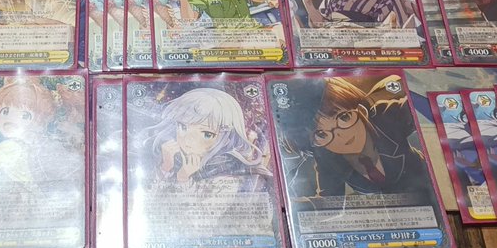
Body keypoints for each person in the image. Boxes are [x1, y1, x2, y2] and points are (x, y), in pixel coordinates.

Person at [295, 76, 431, 196]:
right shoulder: (328, 160)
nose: (339, 134)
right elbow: (328, 199)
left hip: (429, 186)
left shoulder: (385, 117)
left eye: (344, 117)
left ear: (361, 111)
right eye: (321, 133)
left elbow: (424, 106)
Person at [139, 87, 269, 185]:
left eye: (207, 134)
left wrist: (183, 178)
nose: (188, 139)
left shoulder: (227, 171)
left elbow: (202, 212)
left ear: (227, 138)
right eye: (183, 127)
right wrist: (165, 167)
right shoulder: (171, 156)